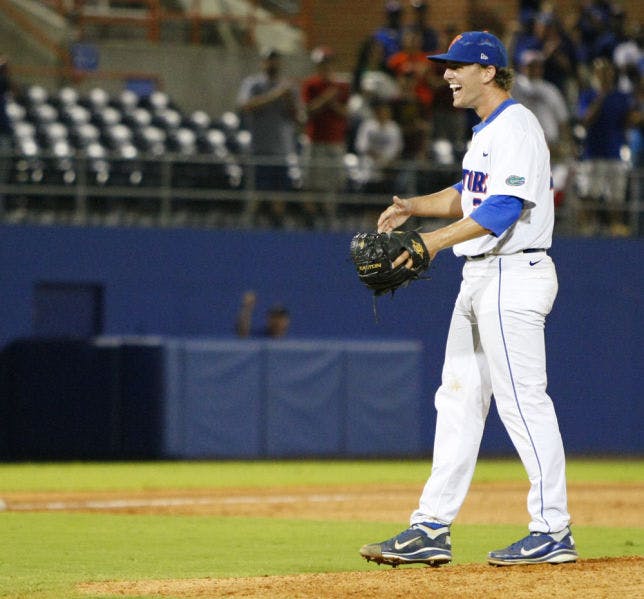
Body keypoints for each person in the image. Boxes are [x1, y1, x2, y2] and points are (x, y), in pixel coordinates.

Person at [359, 31, 578, 568]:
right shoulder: (486, 132)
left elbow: (504, 208)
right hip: (480, 276)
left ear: (487, 71)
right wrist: (415, 206)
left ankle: (552, 530)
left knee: (524, 402)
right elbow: (467, 194)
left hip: (512, 273)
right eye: (447, 66)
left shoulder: (518, 125)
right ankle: (431, 527)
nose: (447, 75)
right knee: (456, 402)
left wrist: (430, 243)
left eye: (457, 66)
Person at [237, 48, 302, 227]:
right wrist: (275, 95)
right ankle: (250, 228)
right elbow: (245, 106)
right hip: (259, 149)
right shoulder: (253, 84)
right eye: (268, 60)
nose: (272, 64)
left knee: (279, 197)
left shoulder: (288, 86)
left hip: (281, 150)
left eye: (275, 60)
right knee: (257, 195)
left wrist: (287, 99)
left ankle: (277, 230)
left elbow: (297, 118)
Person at [575, 57, 638, 236]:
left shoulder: (621, 96)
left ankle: (615, 228)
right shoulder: (588, 95)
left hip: (614, 151)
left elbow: (627, 122)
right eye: (601, 72)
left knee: (615, 195)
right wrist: (601, 97)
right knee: (589, 193)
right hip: (592, 152)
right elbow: (585, 120)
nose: (605, 76)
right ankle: (588, 228)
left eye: (607, 72)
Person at [301, 46, 350, 225]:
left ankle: (330, 219)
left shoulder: (341, 85)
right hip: (315, 140)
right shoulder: (311, 84)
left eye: (328, 63)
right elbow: (308, 110)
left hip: (334, 141)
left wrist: (332, 103)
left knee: (333, 185)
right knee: (311, 184)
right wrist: (327, 98)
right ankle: (311, 220)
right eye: (322, 63)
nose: (325, 67)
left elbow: (346, 112)